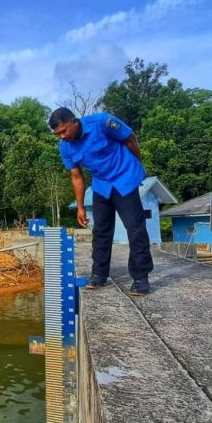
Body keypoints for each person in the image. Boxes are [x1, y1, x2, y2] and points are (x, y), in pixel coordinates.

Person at [49, 107, 153, 296]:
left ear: (74, 121)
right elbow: (76, 177)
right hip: (101, 186)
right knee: (100, 231)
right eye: (58, 134)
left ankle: (140, 278)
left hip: (124, 179)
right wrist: (80, 206)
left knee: (135, 228)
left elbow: (130, 139)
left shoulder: (103, 123)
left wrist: (136, 165)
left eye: (64, 131)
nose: (62, 136)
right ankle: (98, 275)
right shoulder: (65, 147)